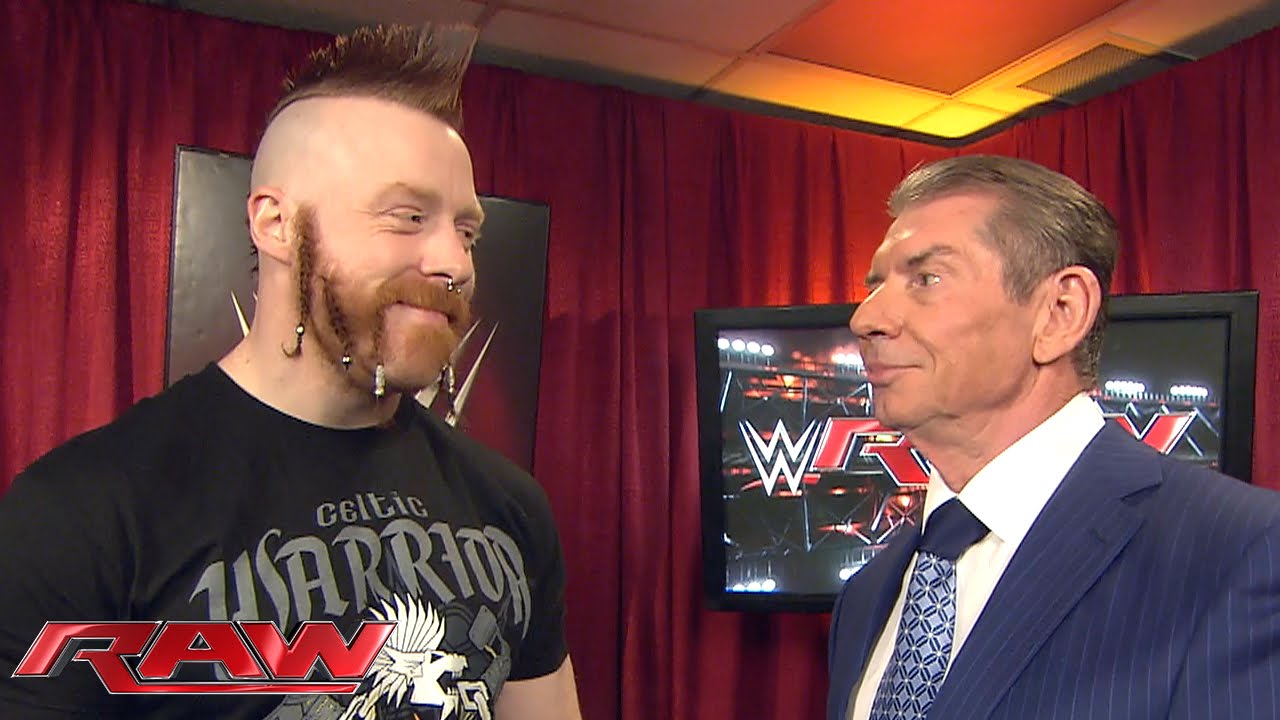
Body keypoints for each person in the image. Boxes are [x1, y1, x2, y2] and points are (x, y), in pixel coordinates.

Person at [0, 24, 582, 720]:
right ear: (276, 223)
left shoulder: (510, 508)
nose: (454, 263)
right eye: (408, 217)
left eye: (466, 231)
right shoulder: (84, 515)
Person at [827, 155, 1280, 720]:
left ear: (1061, 312)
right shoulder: (867, 593)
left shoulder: (1241, 550)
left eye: (927, 279)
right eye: (875, 285)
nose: (866, 318)